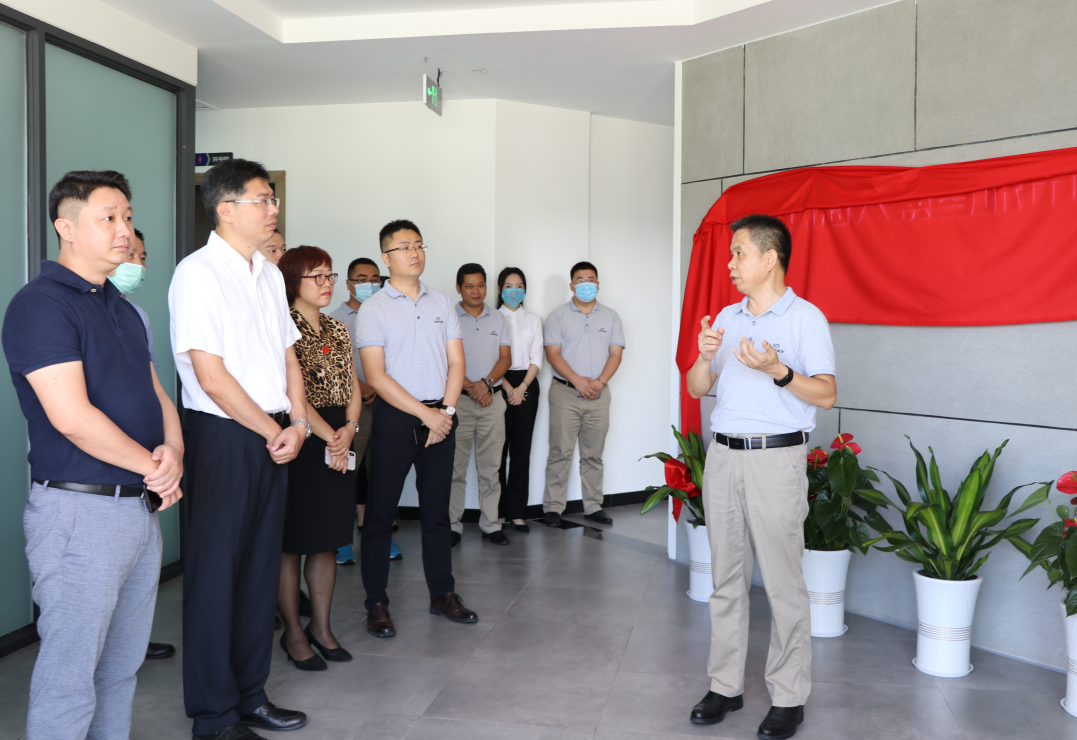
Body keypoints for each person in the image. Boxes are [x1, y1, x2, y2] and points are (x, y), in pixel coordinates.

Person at [2, 170, 183, 740]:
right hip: (79, 514)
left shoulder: (122, 308)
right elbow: (72, 418)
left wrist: (174, 453)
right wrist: (155, 468)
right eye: (109, 217)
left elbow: (156, 394)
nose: (124, 229)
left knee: (120, 670)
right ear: (67, 228)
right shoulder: (40, 305)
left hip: (137, 508)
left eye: (127, 216)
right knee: (70, 676)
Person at [170, 158, 311, 739]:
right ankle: (213, 715)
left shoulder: (269, 274)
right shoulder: (197, 273)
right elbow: (211, 376)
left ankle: (251, 695)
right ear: (225, 208)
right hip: (225, 436)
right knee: (215, 576)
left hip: (275, 433)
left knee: (258, 572)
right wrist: (271, 430)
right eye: (263, 199)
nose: (274, 208)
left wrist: (297, 422)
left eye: (273, 199)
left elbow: (288, 356)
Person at [685, 215, 836, 740]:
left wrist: (779, 371)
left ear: (770, 258)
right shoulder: (727, 317)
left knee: (782, 583)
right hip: (724, 457)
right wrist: (704, 357)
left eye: (739, 253)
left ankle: (789, 696)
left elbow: (827, 394)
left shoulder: (806, 319)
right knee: (725, 579)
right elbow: (698, 386)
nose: (730, 264)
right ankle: (724, 685)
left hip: (776, 460)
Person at [354, 219, 478, 639]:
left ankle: (442, 594)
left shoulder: (442, 301)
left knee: (437, 513)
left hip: (441, 415)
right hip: (396, 418)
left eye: (419, 245)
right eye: (404, 246)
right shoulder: (374, 309)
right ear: (386, 257)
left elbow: (457, 362)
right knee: (380, 514)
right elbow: (376, 375)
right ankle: (376, 602)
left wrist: (445, 411)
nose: (415, 253)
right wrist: (426, 416)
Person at [276, 246, 361, 671]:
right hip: (301, 436)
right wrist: (332, 439)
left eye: (330, 275)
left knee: (328, 538)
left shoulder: (337, 327)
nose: (327, 284)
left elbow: (353, 386)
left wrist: (350, 429)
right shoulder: (281, 326)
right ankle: (293, 633)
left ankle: (321, 628)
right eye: (317, 276)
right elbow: (291, 393)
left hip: (339, 434)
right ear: (294, 282)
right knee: (293, 543)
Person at [107, 227, 177, 662]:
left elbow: (153, 387)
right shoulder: (59, 307)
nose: (138, 263)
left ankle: (131, 639)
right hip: (99, 473)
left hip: (144, 468)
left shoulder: (136, 316)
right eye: (130, 253)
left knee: (136, 573)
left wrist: (173, 452)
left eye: (143, 256)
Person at [541, 261, 624, 527]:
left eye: (591, 280)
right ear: (571, 285)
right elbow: (553, 354)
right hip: (565, 393)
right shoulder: (557, 316)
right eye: (580, 280)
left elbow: (616, 354)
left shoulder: (611, 316)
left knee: (593, 454)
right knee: (560, 452)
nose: (586, 284)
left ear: (598, 284)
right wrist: (578, 382)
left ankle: (593, 506)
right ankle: (553, 508)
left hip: (599, 395)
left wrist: (599, 383)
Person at [329, 258, 401, 564]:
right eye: (361, 279)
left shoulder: (389, 312)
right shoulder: (333, 320)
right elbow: (334, 367)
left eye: (374, 279)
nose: (369, 284)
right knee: (347, 473)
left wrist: (383, 389)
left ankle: (381, 538)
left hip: (387, 404)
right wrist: (363, 389)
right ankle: (341, 540)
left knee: (383, 474)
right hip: (352, 409)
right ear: (348, 284)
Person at [449, 263, 511, 546]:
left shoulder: (498, 318)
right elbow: (444, 358)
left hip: (492, 402)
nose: (476, 291)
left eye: (481, 285)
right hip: (458, 403)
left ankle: (491, 524)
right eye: (469, 286)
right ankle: (452, 526)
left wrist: (485, 384)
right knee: (455, 469)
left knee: (491, 468)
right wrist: (471, 388)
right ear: (459, 288)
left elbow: (505, 358)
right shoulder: (448, 316)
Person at [495, 267, 543, 532]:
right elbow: (491, 358)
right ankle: (499, 512)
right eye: (508, 286)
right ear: (500, 289)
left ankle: (517, 512)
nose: (514, 291)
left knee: (521, 451)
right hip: (499, 383)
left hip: (527, 383)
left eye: (519, 286)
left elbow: (537, 358)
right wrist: (507, 387)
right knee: (498, 452)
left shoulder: (533, 319)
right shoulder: (493, 318)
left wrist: (522, 386)